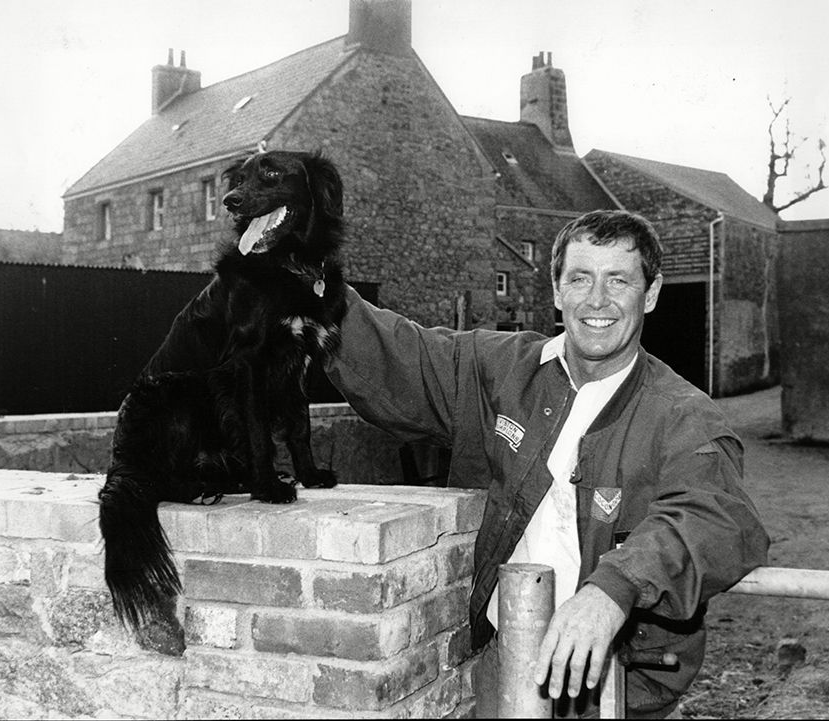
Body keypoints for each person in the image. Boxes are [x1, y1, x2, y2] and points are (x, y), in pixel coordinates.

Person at [325, 210, 769, 718]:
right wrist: (314, 293)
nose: (596, 300)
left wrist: (613, 590)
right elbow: (403, 357)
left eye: (618, 280)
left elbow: (714, 515)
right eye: (579, 278)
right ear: (557, 291)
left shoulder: (684, 416)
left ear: (650, 294)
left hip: (615, 679)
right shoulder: (503, 368)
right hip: (505, 656)